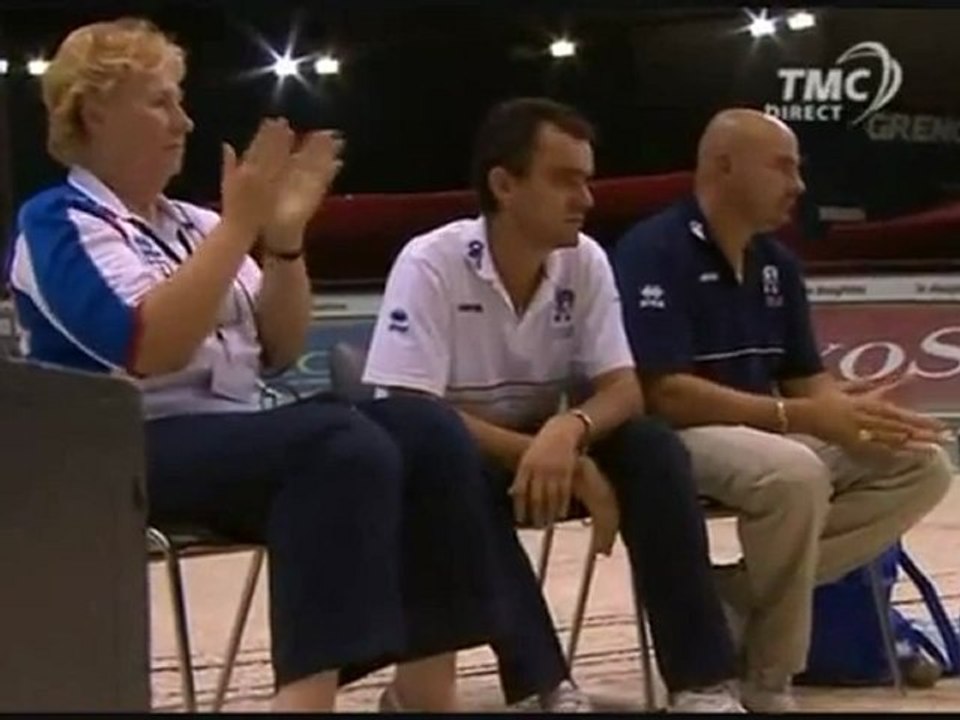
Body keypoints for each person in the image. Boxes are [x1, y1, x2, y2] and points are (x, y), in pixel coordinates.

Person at [7, 17, 507, 712]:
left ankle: (423, 693)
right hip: (118, 449)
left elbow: (279, 347)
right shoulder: (58, 220)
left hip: (231, 433)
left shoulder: (194, 223)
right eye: (160, 102)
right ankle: (304, 700)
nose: (184, 120)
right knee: (334, 443)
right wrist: (242, 225)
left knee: (427, 431)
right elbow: (149, 346)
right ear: (94, 112)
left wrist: (284, 242)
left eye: (180, 98)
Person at [362, 97, 745, 713]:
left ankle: (701, 682)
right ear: (504, 185)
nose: (586, 199)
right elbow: (412, 407)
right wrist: (541, 453)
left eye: (587, 180)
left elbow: (623, 387)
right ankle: (542, 686)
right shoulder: (430, 262)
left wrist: (568, 432)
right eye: (566, 180)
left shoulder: (585, 260)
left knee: (653, 448)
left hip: (546, 446)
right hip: (452, 458)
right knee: (461, 474)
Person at [612, 107, 953, 712]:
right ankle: (769, 679)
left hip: (765, 431)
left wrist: (853, 415)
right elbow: (662, 392)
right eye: (782, 166)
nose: (798, 184)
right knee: (794, 474)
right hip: (671, 440)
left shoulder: (777, 266)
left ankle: (731, 595)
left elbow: (806, 385)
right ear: (723, 166)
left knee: (921, 464)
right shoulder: (652, 252)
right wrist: (802, 418)